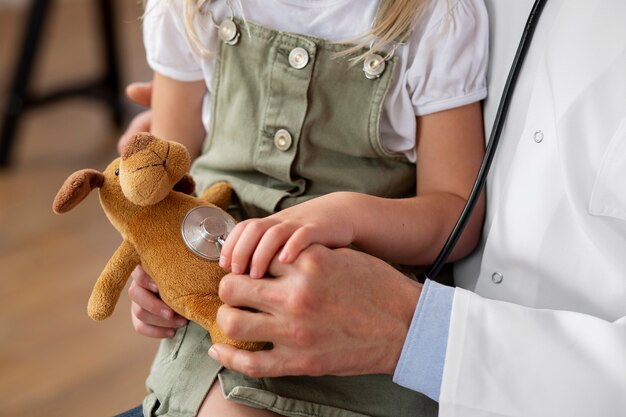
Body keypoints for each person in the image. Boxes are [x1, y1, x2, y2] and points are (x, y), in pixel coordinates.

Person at [126, 0, 626, 416]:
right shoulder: (188, 8)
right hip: (221, 297)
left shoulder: (440, 19)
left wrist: (348, 215)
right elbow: (165, 189)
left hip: (363, 298)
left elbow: (456, 213)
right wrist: (157, 268)